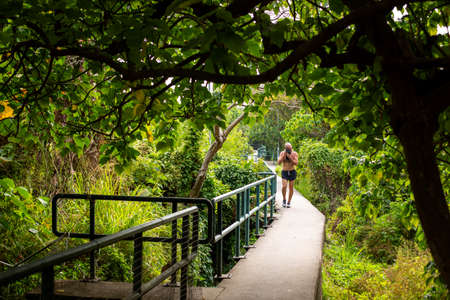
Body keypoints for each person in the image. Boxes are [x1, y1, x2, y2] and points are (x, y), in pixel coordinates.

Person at [277, 143, 298, 208]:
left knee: (291, 187)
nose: (289, 150)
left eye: (290, 148)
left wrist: (290, 158)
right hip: (284, 172)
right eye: (287, 149)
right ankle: (284, 199)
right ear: (285, 148)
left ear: (291, 147)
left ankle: (289, 202)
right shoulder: (282, 153)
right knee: (284, 186)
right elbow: (279, 162)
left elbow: (296, 163)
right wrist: (284, 156)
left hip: (292, 171)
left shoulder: (294, 153)